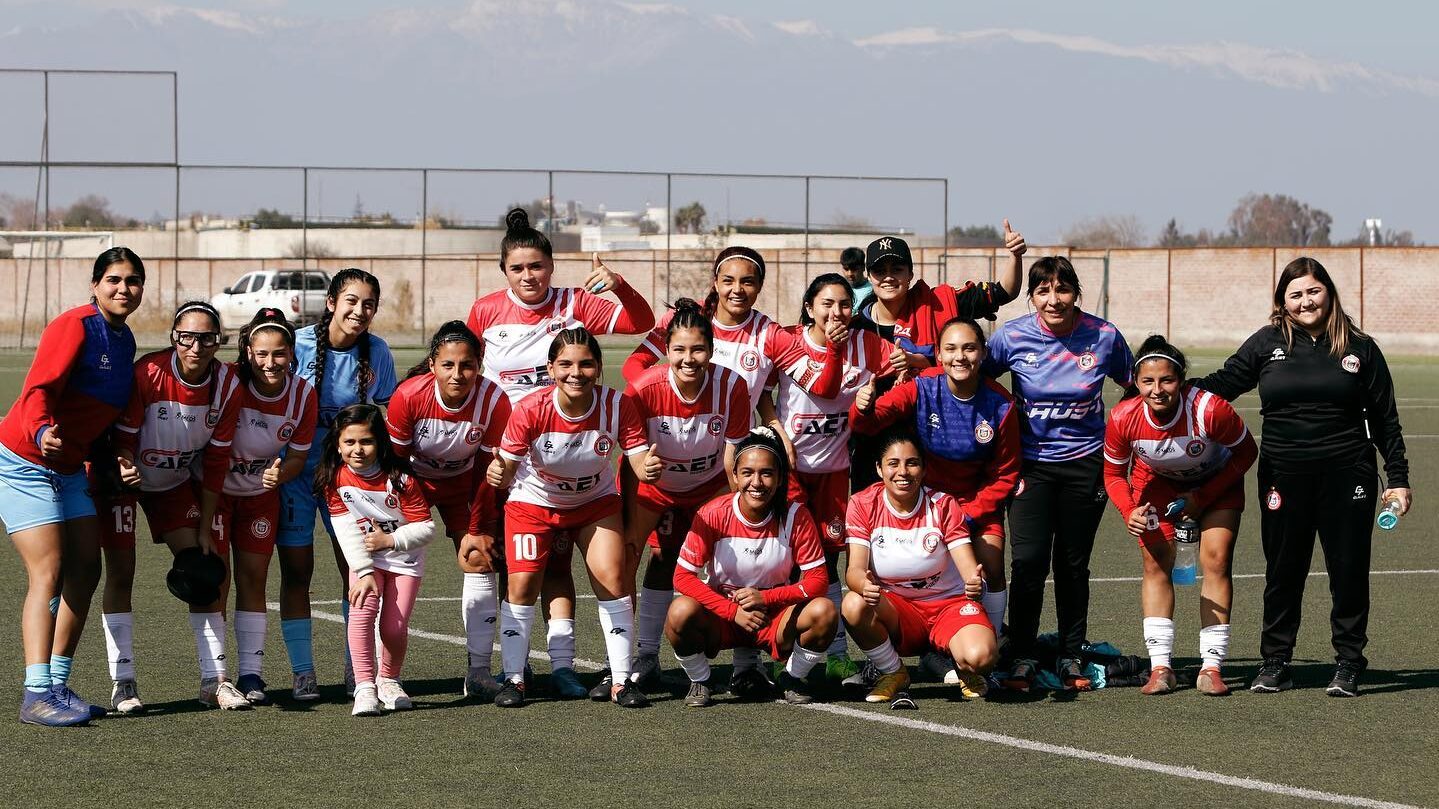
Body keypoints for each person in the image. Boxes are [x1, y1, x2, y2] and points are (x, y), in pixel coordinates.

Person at [620, 246, 841, 687]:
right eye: (729, 280)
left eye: (748, 281)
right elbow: (634, 367)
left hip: (727, 467)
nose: (738, 289)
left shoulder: (770, 334)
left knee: (751, 556)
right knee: (658, 560)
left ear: (759, 287)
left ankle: (768, 661)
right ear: (715, 282)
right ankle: (639, 659)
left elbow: (813, 381)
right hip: (664, 471)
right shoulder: (681, 322)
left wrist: (828, 343)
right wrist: (668, 405)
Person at [1194, 257, 1411, 697]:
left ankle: (1349, 663)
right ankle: (1276, 662)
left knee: (1347, 570)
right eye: (1295, 294)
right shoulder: (1266, 343)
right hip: (1282, 473)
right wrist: (1164, 385)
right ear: (1283, 301)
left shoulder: (1360, 347)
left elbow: (1386, 419)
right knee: (1283, 570)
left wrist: (1399, 478)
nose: (1305, 300)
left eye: (1313, 291)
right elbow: (1221, 384)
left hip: (1347, 471)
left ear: (1328, 292)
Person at [468, 208, 656, 698]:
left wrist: (618, 285)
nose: (529, 276)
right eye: (518, 268)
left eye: (537, 266)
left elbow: (642, 320)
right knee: (520, 573)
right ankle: (505, 670)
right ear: (504, 271)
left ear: (552, 267)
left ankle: (575, 668)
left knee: (593, 573)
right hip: (512, 461)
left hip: (580, 460)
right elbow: (466, 372)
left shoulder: (576, 304)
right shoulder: (486, 311)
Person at [0, 247, 143, 726]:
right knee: (51, 569)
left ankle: (57, 685)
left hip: (69, 466)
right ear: (95, 285)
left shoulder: (124, 341)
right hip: (23, 459)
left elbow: (109, 415)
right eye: (114, 280)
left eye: (132, 281)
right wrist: (42, 430)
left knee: (87, 567)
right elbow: (39, 388)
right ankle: (35, 692)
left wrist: (119, 454)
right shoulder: (74, 325)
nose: (124, 289)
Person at [983, 256, 1134, 692]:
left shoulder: (1103, 336)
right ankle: (1024, 653)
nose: (1054, 299)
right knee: (1028, 563)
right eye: (1043, 291)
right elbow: (976, 381)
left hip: (1086, 464)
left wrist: (1121, 443)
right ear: (1031, 297)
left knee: (1073, 564)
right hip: (1030, 467)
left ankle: (1071, 653)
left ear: (1076, 293)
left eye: (1062, 289)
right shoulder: (1011, 336)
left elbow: (1133, 388)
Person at [486, 328, 652, 709]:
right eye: (565, 364)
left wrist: (650, 468)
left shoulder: (617, 405)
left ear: (598, 367)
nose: (575, 373)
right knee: (523, 583)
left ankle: (622, 681)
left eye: (586, 364)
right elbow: (507, 469)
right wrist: (498, 473)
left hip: (595, 502)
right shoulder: (530, 408)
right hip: (534, 503)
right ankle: (514, 679)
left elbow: (640, 460)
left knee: (614, 579)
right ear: (550, 368)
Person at [851, 316, 1021, 687]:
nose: (960, 357)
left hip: (972, 504)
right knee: (895, 568)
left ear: (983, 353)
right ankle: (890, 657)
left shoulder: (1000, 403)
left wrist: (968, 514)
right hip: (920, 499)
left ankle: (987, 643)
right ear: (938, 356)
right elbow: (872, 422)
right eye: (951, 349)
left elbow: (1005, 473)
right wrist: (863, 406)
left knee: (991, 561)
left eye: (969, 348)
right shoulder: (923, 386)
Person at [1103, 335, 1257, 696]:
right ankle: (1161, 668)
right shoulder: (1124, 417)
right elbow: (1113, 474)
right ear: (1136, 383)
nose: (1157, 390)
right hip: (1157, 485)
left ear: (1182, 380)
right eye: (1147, 381)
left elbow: (1246, 453)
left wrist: (1201, 497)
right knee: (1157, 565)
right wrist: (1129, 511)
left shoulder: (1210, 410)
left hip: (1217, 484)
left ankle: (1212, 668)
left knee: (1215, 560)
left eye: (1167, 380)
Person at [108, 301, 239, 712]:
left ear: (218, 342)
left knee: (204, 568)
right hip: (124, 484)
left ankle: (214, 680)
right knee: (121, 572)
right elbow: (124, 435)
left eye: (206, 338)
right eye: (187, 337)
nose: (196, 346)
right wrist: (124, 465)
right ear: (173, 338)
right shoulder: (149, 373)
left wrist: (204, 527)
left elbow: (217, 460)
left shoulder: (227, 384)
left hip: (174, 484)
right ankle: (123, 682)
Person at [773, 273, 900, 683]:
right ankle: (783, 646)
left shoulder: (867, 343)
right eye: (826, 303)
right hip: (790, 473)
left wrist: (905, 363)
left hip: (833, 474)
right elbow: (818, 389)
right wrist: (771, 422)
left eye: (844, 304)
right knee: (787, 563)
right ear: (809, 307)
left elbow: (902, 365)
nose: (836, 312)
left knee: (827, 562)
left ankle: (837, 652)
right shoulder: (792, 342)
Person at [277, 268, 398, 696]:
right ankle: (303, 672)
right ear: (331, 302)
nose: (359, 311)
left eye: (368, 304)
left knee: (357, 568)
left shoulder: (378, 352)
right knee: (297, 571)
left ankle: (357, 669)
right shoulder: (299, 345)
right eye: (350, 301)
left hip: (347, 483)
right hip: (293, 476)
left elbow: (386, 417)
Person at [621, 299, 751, 689]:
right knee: (633, 559)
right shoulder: (643, 389)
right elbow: (633, 454)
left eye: (697, 349)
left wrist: (735, 518)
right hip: (653, 488)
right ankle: (635, 660)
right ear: (667, 350)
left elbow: (733, 462)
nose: (688, 358)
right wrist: (646, 470)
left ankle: (747, 659)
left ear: (711, 349)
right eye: (678, 349)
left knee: (739, 559)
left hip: (708, 486)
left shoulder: (732, 386)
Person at [665, 428, 837, 707]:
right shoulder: (712, 514)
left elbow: (818, 580)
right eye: (747, 473)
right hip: (724, 616)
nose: (756, 482)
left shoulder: (796, 516)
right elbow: (682, 578)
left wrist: (766, 598)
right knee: (679, 612)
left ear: (780, 478)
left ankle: (791, 678)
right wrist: (732, 612)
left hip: (774, 618)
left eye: (766, 473)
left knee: (825, 611)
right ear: (734, 476)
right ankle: (701, 680)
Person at [198, 309, 318, 706]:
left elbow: (298, 457)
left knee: (254, 580)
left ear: (291, 354)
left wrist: (281, 474)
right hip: (214, 493)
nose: (270, 363)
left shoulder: (302, 394)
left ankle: (252, 675)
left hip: (259, 498)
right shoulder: (229, 382)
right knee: (216, 580)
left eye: (279, 354)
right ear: (248, 351)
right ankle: (216, 678)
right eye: (262, 354)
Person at [847, 224, 1024, 493]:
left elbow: (1003, 292)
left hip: (927, 442)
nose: (888, 277)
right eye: (880, 271)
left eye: (897, 269)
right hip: (872, 442)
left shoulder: (939, 303)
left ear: (910, 274)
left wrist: (1015, 256)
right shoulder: (856, 327)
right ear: (869, 277)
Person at [385, 321, 511, 699]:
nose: (458, 375)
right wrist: (410, 517)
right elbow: (396, 463)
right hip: (412, 485)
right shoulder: (409, 396)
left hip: (466, 486)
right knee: (393, 566)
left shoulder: (494, 400)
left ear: (480, 364)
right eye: (448, 365)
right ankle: (383, 675)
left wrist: (476, 528)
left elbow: (485, 473)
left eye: (467, 365)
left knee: (480, 558)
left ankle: (478, 671)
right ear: (432, 365)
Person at [842, 433, 996, 703]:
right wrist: (863, 585)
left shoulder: (943, 505)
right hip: (898, 610)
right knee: (853, 604)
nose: (903, 472)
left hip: (948, 605)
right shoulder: (863, 504)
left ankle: (964, 668)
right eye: (893, 463)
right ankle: (893, 672)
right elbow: (854, 570)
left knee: (980, 657)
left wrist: (975, 583)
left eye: (912, 463)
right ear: (879, 468)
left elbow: (970, 571)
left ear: (924, 469)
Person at [317, 404, 437, 716]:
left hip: (403, 559)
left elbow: (426, 528)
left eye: (366, 442)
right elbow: (345, 530)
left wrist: (391, 540)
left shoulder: (401, 480)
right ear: (338, 444)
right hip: (366, 559)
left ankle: (389, 679)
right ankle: (365, 687)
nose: (358, 450)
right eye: (350, 442)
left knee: (394, 629)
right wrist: (364, 570)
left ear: (380, 442)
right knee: (360, 612)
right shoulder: (335, 479)